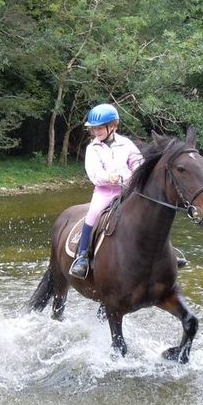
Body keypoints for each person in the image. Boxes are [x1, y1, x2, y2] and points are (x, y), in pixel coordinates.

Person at [69, 104, 143, 279]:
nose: (96, 132)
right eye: (94, 129)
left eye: (100, 128)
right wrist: (108, 177)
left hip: (128, 190)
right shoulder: (92, 148)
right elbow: (94, 173)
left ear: (113, 126)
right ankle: (82, 256)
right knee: (93, 214)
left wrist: (135, 174)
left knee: (150, 210)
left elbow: (138, 162)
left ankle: (165, 251)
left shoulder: (126, 144)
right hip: (105, 192)